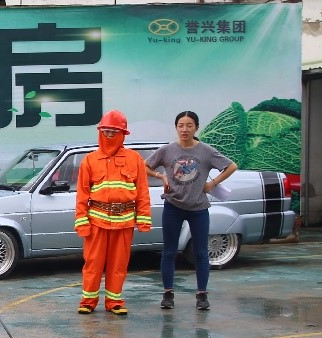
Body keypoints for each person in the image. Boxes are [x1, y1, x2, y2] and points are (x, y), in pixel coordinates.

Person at [144, 110, 237, 311]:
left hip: (198, 208)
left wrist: (212, 184)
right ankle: (168, 293)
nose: (184, 129)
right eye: (180, 125)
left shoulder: (205, 151)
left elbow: (231, 166)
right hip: (173, 206)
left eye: (189, 125)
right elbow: (144, 166)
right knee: (169, 252)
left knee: (201, 252)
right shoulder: (167, 150)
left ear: (196, 127)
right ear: (176, 127)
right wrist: (161, 177)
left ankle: (202, 295)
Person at [74, 109, 152, 315]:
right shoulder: (89, 160)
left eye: (113, 132)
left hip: (124, 222)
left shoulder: (135, 159)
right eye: (106, 131)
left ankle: (114, 302)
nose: (109, 136)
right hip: (96, 222)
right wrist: (82, 222)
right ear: (100, 132)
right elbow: (82, 195)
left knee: (119, 264)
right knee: (93, 264)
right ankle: (88, 301)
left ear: (122, 134)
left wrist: (143, 219)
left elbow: (143, 191)